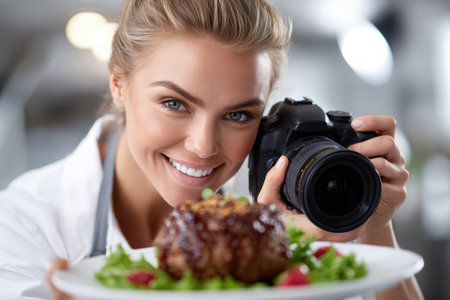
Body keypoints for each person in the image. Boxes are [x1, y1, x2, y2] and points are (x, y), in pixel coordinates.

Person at [0, 0, 423, 299]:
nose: (203, 147)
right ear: (118, 83)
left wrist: (371, 223)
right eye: (174, 104)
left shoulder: (286, 210)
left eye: (238, 115)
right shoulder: (25, 224)